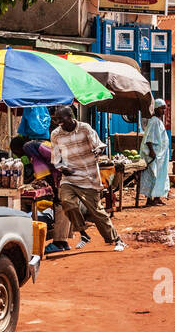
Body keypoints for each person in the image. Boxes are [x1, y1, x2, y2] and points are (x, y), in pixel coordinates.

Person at [48, 105, 124, 251]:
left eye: (60, 118)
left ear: (70, 117)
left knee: (96, 212)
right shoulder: (56, 134)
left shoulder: (85, 128)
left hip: (88, 177)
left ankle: (116, 239)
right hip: (69, 178)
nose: (58, 122)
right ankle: (83, 233)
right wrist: (63, 168)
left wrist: (98, 150)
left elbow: (99, 145)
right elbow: (56, 158)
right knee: (66, 202)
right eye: (56, 119)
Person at [141, 98, 171, 206]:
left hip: (161, 156)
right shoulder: (153, 121)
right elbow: (149, 139)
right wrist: (152, 152)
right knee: (152, 176)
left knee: (160, 176)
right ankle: (149, 199)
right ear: (157, 109)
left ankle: (157, 197)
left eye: (164, 109)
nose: (164, 111)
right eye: (162, 109)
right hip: (155, 155)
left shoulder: (158, 121)